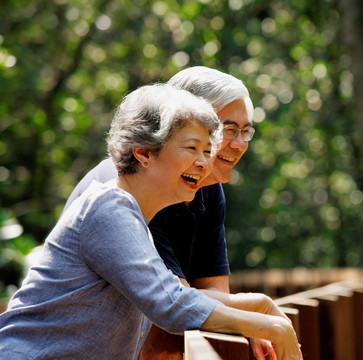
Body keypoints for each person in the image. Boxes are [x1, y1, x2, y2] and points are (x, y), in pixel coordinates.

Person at [0, 84, 302, 360]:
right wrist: (271, 327)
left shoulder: (135, 216)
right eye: (191, 148)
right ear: (144, 153)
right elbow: (170, 302)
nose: (203, 162)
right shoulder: (107, 207)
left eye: (207, 151)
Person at [63, 67, 277, 360]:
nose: (239, 144)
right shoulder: (137, 184)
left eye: (245, 131)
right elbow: (176, 303)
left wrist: (250, 323)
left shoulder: (206, 186)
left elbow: (214, 295)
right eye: (227, 130)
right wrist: (260, 312)